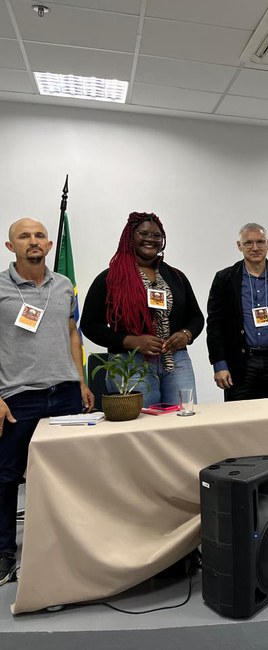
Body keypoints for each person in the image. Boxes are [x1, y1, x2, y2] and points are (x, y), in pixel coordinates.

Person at [1, 218, 94, 585]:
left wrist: (81, 381)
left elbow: (72, 332)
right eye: (24, 236)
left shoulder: (64, 285)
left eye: (39, 235)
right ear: (11, 247)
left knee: (69, 473)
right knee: (7, 477)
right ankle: (4, 552)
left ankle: (69, 544)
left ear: (50, 244)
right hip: (17, 397)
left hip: (66, 393)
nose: (33, 241)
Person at [81, 212, 203, 406]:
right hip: (130, 363)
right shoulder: (110, 278)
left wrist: (186, 334)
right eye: (143, 233)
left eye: (156, 235)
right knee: (141, 421)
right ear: (130, 237)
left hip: (176, 360)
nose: (150, 239)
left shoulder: (176, 277)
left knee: (183, 415)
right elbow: (90, 325)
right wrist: (132, 341)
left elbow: (196, 317)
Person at [206, 223, 268, 401]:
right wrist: (219, 364)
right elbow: (215, 325)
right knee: (240, 415)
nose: (255, 248)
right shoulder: (224, 279)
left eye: (260, 242)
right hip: (240, 364)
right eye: (248, 243)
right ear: (239, 246)